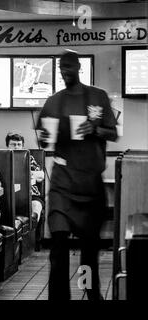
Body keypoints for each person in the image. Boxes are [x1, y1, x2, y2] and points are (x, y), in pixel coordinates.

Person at [36, 50, 118, 300]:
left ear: (78, 67)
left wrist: (94, 128)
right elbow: (42, 139)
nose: (65, 71)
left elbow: (113, 133)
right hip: (62, 184)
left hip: (91, 184)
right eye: (62, 67)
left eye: (69, 67)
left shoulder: (98, 96)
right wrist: (45, 136)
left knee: (89, 252)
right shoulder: (53, 102)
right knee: (58, 248)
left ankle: (91, 293)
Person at [5, 132, 45, 223]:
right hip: (8, 195)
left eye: (19, 144)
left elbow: (41, 175)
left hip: (30, 194)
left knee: (36, 204)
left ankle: (33, 221)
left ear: (22, 146)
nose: (16, 147)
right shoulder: (3, 158)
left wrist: (26, 173)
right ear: (7, 146)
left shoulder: (28, 158)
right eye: (13, 144)